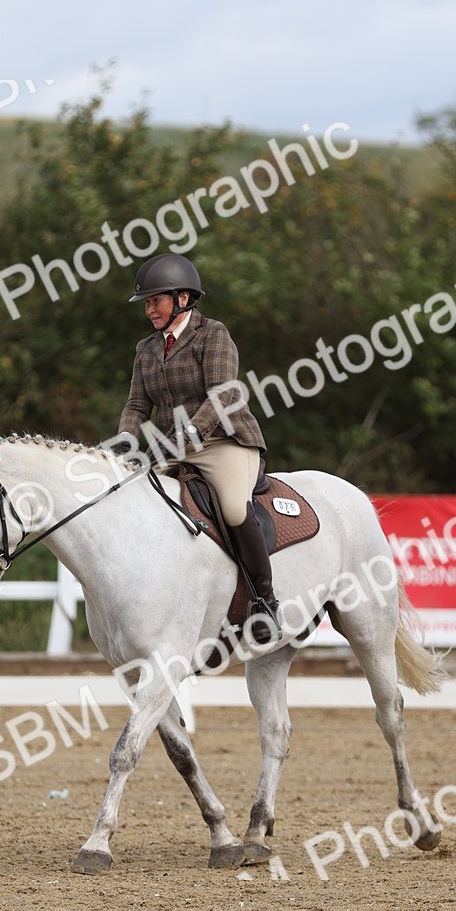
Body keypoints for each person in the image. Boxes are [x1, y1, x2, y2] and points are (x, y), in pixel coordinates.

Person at [113, 253, 281, 644]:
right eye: (148, 303)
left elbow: (222, 395)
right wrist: (124, 442)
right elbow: (137, 405)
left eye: (157, 300)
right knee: (134, 500)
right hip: (173, 447)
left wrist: (186, 435)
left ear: (183, 299)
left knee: (235, 508)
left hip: (224, 441)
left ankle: (264, 599)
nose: (150, 309)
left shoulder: (213, 334)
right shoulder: (146, 349)